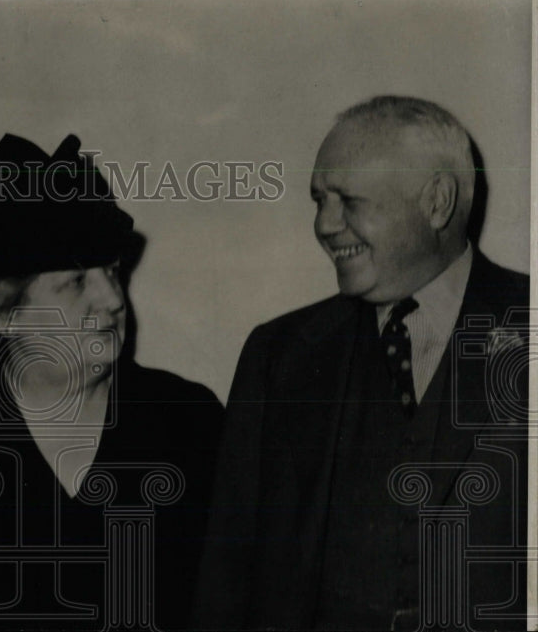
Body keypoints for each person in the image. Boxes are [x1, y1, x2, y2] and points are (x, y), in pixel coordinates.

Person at [192, 96, 529, 630]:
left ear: (437, 202)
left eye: (348, 200)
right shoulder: (278, 357)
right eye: (318, 200)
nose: (325, 225)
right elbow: (224, 589)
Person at [0, 133, 225, 630]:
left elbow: (246, 592)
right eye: (76, 281)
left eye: (114, 273)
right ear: (5, 316)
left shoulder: (188, 418)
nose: (113, 299)